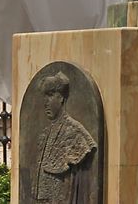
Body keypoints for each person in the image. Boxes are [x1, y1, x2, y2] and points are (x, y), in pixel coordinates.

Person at [32, 72, 96, 203]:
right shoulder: (45, 133)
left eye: (50, 96)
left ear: (61, 98)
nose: (45, 102)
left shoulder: (76, 131)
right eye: (44, 96)